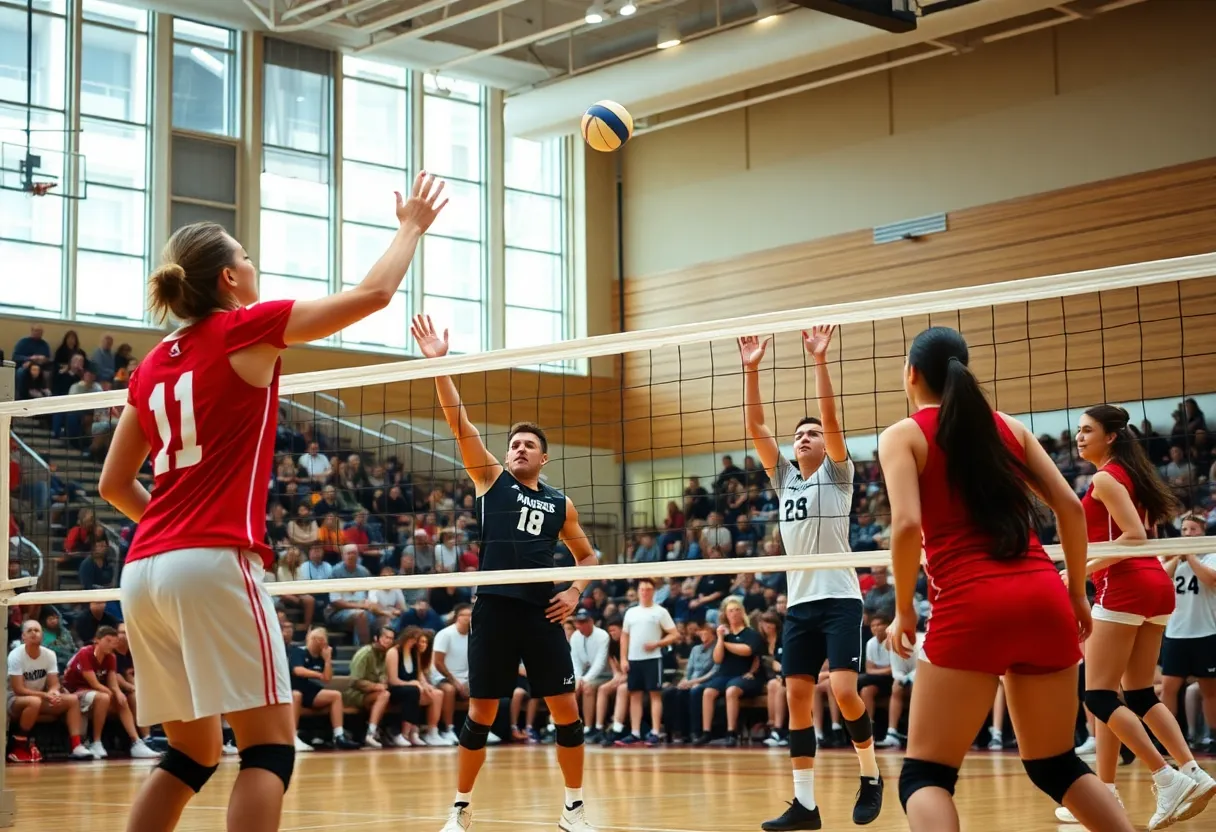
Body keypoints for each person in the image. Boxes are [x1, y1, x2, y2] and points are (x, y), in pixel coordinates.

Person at [98, 171, 447, 832]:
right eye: (247, 256)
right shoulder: (243, 330)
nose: (254, 265)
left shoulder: (149, 367)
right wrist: (411, 226)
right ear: (229, 279)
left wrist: (174, 529)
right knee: (269, 749)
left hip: (143, 570)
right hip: (210, 561)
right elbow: (373, 294)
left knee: (191, 754)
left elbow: (114, 485)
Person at [877, 326, 1134, 832]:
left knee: (924, 775)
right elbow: (1070, 509)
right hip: (1044, 597)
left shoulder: (902, 434)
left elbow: (906, 525)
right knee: (1055, 764)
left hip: (973, 606)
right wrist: (1078, 594)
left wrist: (904, 609)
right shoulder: (1011, 428)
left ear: (911, 374)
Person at [411, 313, 600, 832]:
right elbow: (459, 422)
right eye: (513, 443)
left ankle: (573, 809)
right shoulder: (491, 479)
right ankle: (460, 808)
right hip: (493, 608)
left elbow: (589, 557)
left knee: (566, 710)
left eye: (527, 445)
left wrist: (575, 592)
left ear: (544, 457)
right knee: (483, 713)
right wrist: (439, 365)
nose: (518, 448)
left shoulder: (562, 503)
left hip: (542, 612)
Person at [738, 326, 883, 829]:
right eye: (798, 434)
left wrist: (819, 359)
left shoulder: (838, 475)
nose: (804, 437)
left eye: (811, 433)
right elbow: (755, 426)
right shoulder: (783, 479)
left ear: (825, 443)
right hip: (798, 604)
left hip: (841, 598)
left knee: (843, 690)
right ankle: (805, 805)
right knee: (798, 697)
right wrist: (752, 369)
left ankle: (870, 775)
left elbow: (833, 418)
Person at [1061, 405, 1214, 827]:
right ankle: (1191, 771)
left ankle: (1165, 776)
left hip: (1125, 585)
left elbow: (1134, 534)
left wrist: (1077, 572)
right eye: (1078, 430)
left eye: (1087, 430)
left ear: (1111, 436)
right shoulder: (1132, 474)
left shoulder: (1106, 477)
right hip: (1155, 587)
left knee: (1099, 697)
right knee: (1140, 694)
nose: (1079, 436)